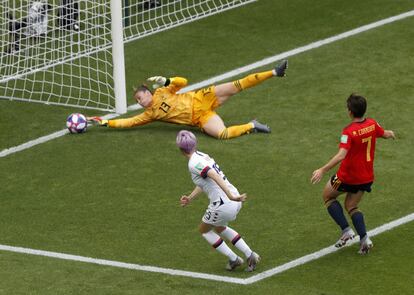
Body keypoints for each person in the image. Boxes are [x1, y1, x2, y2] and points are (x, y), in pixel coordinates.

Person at [89, 60, 288, 139]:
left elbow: (183, 82)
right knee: (222, 135)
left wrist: (167, 79)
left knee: (237, 85)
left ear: (148, 92)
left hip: (201, 98)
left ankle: (274, 72)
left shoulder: (162, 92)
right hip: (200, 118)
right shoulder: (150, 114)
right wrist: (106, 122)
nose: (140, 102)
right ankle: (251, 125)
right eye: (138, 101)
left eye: (140, 97)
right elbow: (128, 122)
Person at [311, 94, 395, 254]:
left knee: (328, 196)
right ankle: (364, 240)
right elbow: (384, 133)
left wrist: (322, 169)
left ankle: (346, 231)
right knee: (351, 206)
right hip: (366, 177)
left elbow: (341, 154)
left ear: (350, 112)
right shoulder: (372, 123)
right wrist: (391, 134)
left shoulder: (348, 132)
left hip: (346, 177)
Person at [177, 130, 260, 271]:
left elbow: (213, 175)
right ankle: (250, 255)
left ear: (180, 149)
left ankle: (234, 259)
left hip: (224, 203)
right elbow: (205, 182)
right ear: (195, 144)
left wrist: (229, 196)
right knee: (219, 227)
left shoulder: (193, 163)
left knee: (204, 230)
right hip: (233, 199)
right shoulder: (202, 155)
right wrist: (190, 197)